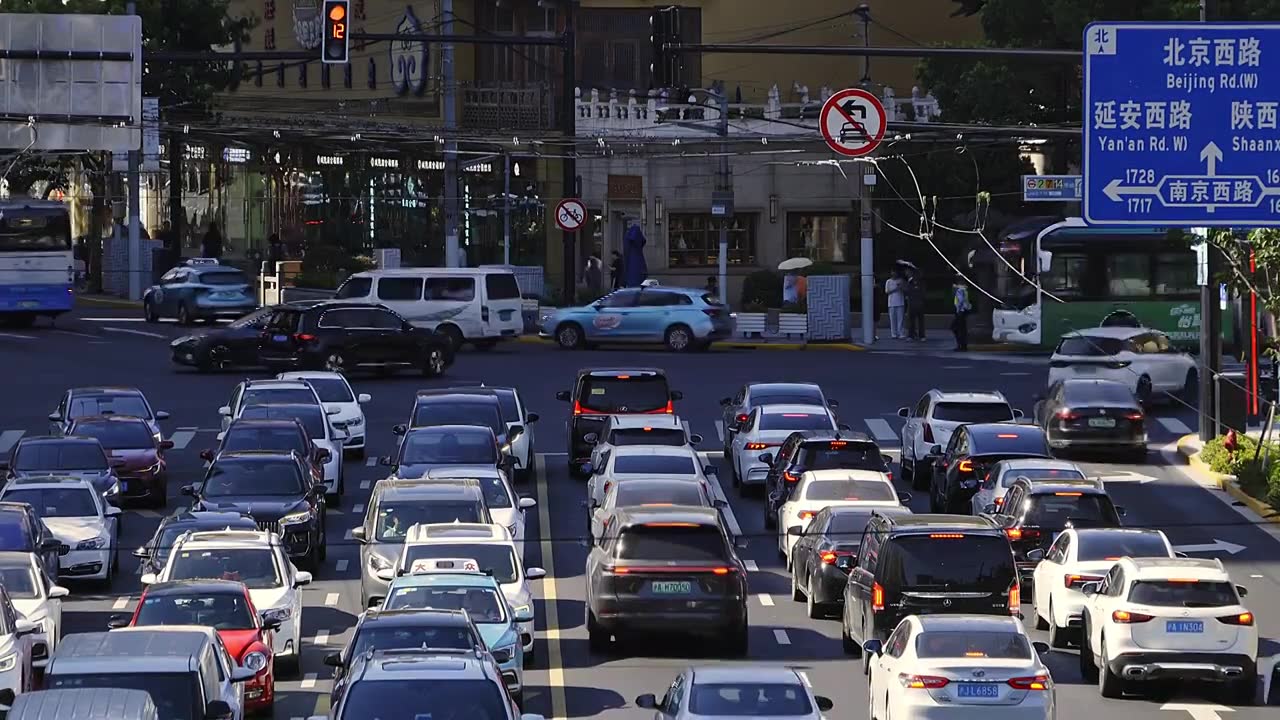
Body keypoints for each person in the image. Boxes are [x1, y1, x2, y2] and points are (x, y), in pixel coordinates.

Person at [951, 274, 972, 351]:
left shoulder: (960, 290)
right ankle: (963, 345)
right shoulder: (964, 289)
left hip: (960, 311)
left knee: (956, 328)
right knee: (961, 329)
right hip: (964, 311)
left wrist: (958, 310)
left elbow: (960, 301)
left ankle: (961, 345)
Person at [885, 268, 906, 339]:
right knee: (892, 319)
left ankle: (901, 333)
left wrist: (901, 287)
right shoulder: (888, 281)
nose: (894, 273)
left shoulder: (901, 280)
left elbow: (905, 290)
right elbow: (887, 291)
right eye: (893, 272)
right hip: (891, 303)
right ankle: (893, 334)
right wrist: (896, 288)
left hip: (900, 302)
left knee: (900, 319)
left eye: (895, 272)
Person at [906, 269, 926, 341]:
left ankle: (921, 336)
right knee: (911, 321)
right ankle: (911, 335)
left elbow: (923, 294)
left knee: (920, 321)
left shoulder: (921, 283)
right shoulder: (910, 283)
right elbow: (907, 292)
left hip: (919, 304)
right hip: (912, 304)